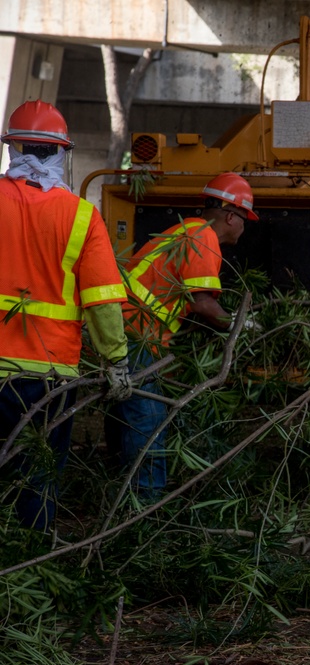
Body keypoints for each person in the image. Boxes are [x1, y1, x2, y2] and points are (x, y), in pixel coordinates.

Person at [0, 100, 132, 530]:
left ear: (13, 148)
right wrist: (117, 364)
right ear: (61, 153)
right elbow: (103, 302)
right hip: (48, 377)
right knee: (37, 477)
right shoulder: (81, 216)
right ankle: (30, 567)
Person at [105, 172, 256, 498]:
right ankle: (144, 507)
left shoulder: (188, 231)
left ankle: (119, 489)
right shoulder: (204, 240)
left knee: (128, 415)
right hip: (138, 335)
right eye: (245, 219)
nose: (245, 227)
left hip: (127, 331)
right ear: (231, 216)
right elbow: (202, 303)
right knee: (148, 420)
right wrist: (242, 326)